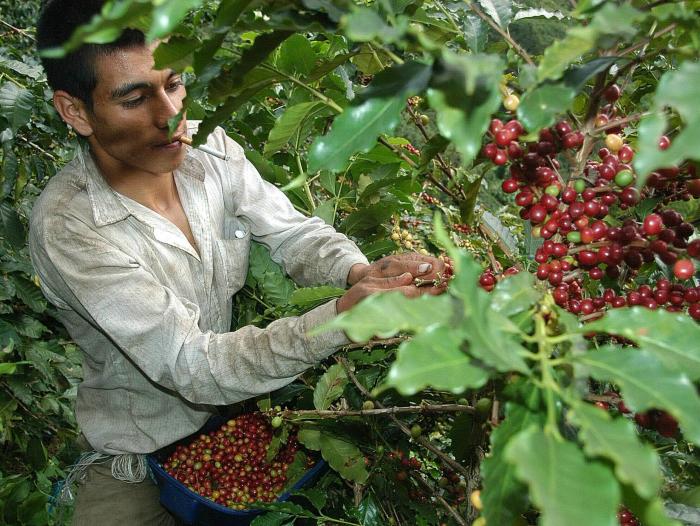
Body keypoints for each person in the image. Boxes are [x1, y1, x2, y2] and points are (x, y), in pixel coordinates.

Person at [30, 0, 447, 523]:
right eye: (135, 98)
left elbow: (295, 234)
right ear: (75, 111)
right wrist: (342, 319)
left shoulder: (211, 151)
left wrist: (358, 273)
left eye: (175, 84)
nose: (171, 115)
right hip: (137, 456)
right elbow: (189, 364)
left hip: (237, 414)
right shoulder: (71, 226)